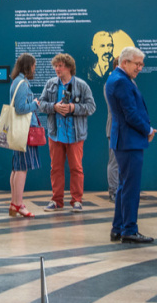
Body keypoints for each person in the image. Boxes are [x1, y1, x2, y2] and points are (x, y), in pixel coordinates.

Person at [106, 46, 157, 244]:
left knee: (124, 186)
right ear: (125, 62)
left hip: (125, 140)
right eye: (137, 64)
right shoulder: (121, 81)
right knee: (131, 188)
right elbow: (131, 114)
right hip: (129, 141)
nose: (140, 68)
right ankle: (129, 230)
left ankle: (118, 228)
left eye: (142, 64)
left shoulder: (117, 78)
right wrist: (148, 130)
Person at [39, 53, 96, 212]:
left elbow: (91, 107)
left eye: (60, 66)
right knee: (55, 168)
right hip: (55, 134)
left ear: (69, 67)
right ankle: (56, 200)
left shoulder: (82, 85)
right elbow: (41, 104)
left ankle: (77, 201)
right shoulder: (50, 84)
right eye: (55, 66)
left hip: (75, 135)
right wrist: (54, 107)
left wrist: (73, 108)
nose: (57, 69)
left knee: (76, 168)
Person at [8, 53, 42, 218]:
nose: (35, 68)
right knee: (22, 168)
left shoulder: (17, 81)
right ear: (29, 66)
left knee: (17, 167)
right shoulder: (22, 83)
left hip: (20, 130)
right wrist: (35, 104)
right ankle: (18, 204)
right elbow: (21, 108)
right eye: (34, 65)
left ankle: (15, 203)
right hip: (25, 131)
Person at [104, 57, 120, 202]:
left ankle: (122, 190)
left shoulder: (131, 83)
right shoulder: (110, 83)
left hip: (128, 130)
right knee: (114, 162)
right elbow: (115, 107)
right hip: (115, 128)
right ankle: (113, 191)